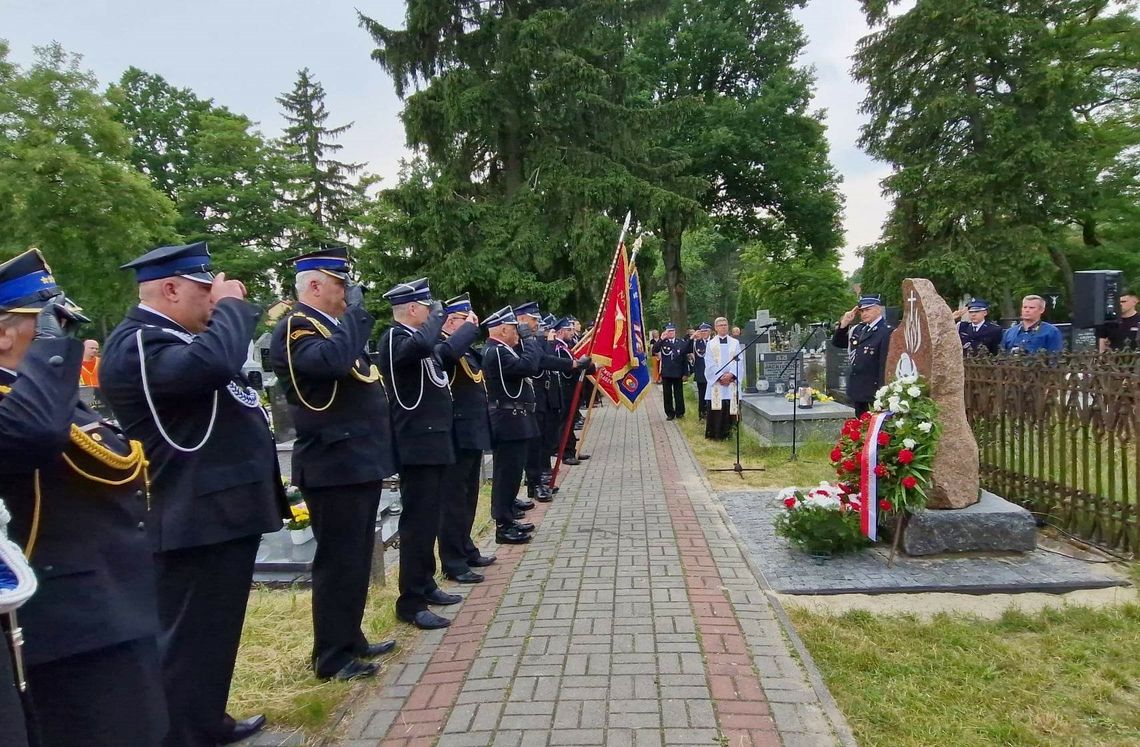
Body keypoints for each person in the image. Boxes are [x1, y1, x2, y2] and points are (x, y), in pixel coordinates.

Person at [100, 241, 289, 746]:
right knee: (187, 640)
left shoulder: (174, 338)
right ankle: (180, 735)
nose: (213, 302)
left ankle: (205, 720)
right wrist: (232, 306)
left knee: (214, 634)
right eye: (205, 292)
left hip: (217, 510)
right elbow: (212, 366)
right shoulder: (139, 342)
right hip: (189, 513)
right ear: (169, 289)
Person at [0, 249, 166, 747]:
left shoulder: (37, 395)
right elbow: (34, 437)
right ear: (4, 332)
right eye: (48, 323)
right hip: (69, 620)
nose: (62, 335)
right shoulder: (22, 406)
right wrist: (51, 351)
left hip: (110, 600)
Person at [268, 247, 399, 675]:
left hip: (354, 460)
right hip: (331, 463)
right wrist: (357, 318)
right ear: (315, 285)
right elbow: (331, 364)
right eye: (341, 284)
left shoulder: (331, 327)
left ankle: (351, 637)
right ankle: (331, 656)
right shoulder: (297, 328)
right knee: (338, 562)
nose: (348, 292)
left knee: (356, 558)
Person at [377, 278, 462, 630]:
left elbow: (443, 353)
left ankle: (426, 584)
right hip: (416, 445)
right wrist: (440, 318)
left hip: (433, 442)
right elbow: (424, 344)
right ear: (412, 309)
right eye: (428, 309)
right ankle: (410, 601)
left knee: (430, 520)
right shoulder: (396, 340)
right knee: (416, 524)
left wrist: (468, 330)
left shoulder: (418, 343)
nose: (433, 315)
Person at [434, 293, 496, 583]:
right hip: (456, 433)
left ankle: (466, 547)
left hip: (472, 431)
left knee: (469, 496)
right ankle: (453, 560)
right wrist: (466, 331)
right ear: (450, 321)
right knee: (453, 500)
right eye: (464, 320)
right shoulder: (442, 346)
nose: (471, 324)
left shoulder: (467, 349)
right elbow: (446, 356)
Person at [482, 307, 543, 544]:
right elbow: (529, 366)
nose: (519, 333)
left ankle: (508, 517)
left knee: (512, 472)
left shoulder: (503, 350)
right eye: (516, 329)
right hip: (508, 420)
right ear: (504, 329)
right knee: (506, 474)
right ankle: (503, 524)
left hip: (515, 419)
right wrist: (530, 339)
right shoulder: (497, 352)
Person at [832, 295, 892, 416]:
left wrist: (882, 392)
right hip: (858, 389)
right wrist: (844, 324)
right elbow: (838, 343)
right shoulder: (858, 329)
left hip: (873, 391)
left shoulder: (886, 331)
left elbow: (884, 364)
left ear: (878, 309)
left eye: (868, 309)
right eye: (862, 311)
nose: (864, 313)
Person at [704, 317, 743, 440]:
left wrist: (731, 375)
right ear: (715, 328)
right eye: (720, 325)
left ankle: (731, 433)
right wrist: (720, 376)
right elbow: (709, 362)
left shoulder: (735, 343)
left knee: (731, 407)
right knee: (717, 407)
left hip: (731, 381)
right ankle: (716, 434)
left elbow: (739, 361)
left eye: (725, 325)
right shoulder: (711, 344)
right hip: (717, 382)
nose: (723, 327)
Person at [651, 323, 690, 420]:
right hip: (667, 372)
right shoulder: (663, 342)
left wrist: (685, 373)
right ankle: (669, 413)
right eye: (669, 331)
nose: (670, 333)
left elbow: (684, 359)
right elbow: (655, 350)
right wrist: (661, 339)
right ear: (666, 332)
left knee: (679, 394)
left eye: (672, 331)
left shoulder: (680, 342)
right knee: (667, 394)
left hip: (678, 372)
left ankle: (680, 412)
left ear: (675, 332)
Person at [691, 322, 711, 420]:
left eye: (706, 331)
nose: (704, 333)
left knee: (712, 394)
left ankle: (711, 414)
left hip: (712, 373)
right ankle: (702, 414)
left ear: (710, 331)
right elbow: (685, 348)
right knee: (702, 395)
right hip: (701, 373)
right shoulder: (696, 343)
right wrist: (692, 338)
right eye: (702, 331)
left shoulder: (714, 342)